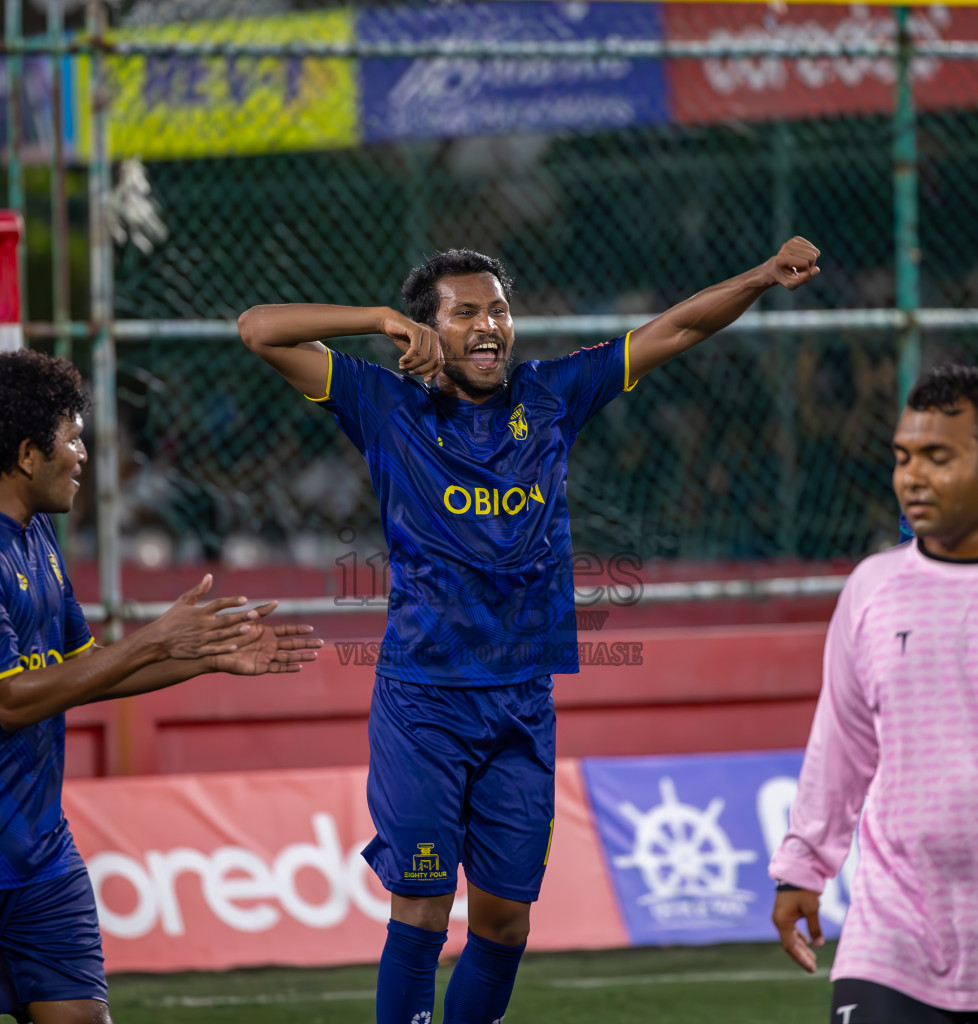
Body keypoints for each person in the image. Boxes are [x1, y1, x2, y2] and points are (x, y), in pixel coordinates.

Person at [239, 236, 820, 1024]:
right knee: (420, 906)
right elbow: (258, 329)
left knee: (506, 922)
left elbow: (674, 331)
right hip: (424, 704)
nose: (489, 326)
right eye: (466, 312)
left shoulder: (551, 395)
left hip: (521, 706)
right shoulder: (384, 403)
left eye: (500, 309)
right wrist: (375, 319)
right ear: (427, 331)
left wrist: (758, 275)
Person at [0, 349, 323, 1024]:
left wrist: (204, 655)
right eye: (75, 438)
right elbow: (8, 703)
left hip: (39, 853)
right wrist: (153, 638)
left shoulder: (39, 540)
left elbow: (86, 670)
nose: (85, 455)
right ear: (30, 453)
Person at [770, 362, 978, 1023]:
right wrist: (804, 864)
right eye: (903, 457)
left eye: (937, 457)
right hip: (894, 929)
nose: (912, 477)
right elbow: (843, 740)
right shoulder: (873, 587)